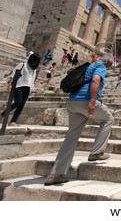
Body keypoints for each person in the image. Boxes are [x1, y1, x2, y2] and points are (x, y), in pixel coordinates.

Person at [44, 55, 115, 186]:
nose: (109, 69)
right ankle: (97, 152)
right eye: (109, 67)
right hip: (86, 100)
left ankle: (56, 174)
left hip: (72, 101)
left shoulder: (88, 66)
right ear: (107, 64)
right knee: (108, 119)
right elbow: (95, 80)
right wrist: (92, 101)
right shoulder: (100, 66)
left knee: (71, 137)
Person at [0, 53, 41, 126]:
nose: (35, 62)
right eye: (35, 60)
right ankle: (2, 115)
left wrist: (31, 89)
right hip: (19, 86)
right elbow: (13, 74)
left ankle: (13, 121)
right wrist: (9, 84)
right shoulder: (22, 64)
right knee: (18, 102)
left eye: (37, 61)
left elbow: (32, 79)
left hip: (27, 88)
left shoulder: (34, 69)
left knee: (21, 105)